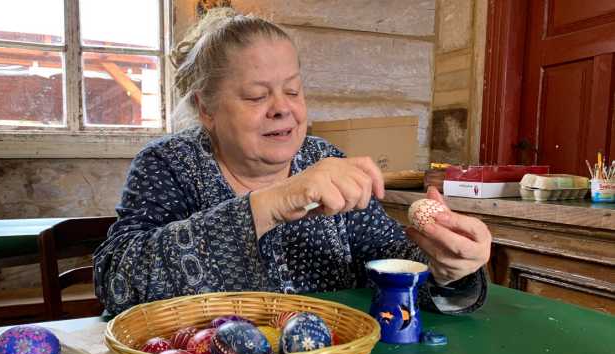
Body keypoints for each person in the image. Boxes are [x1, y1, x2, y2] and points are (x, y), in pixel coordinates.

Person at [94, 8, 491, 316]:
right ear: (206, 108)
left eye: (293, 91)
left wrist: (448, 270)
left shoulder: (326, 161)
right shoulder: (170, 165)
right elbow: (118, 283)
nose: (282, 109)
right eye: (255, 96)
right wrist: (272, 203)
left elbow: (397, 276)